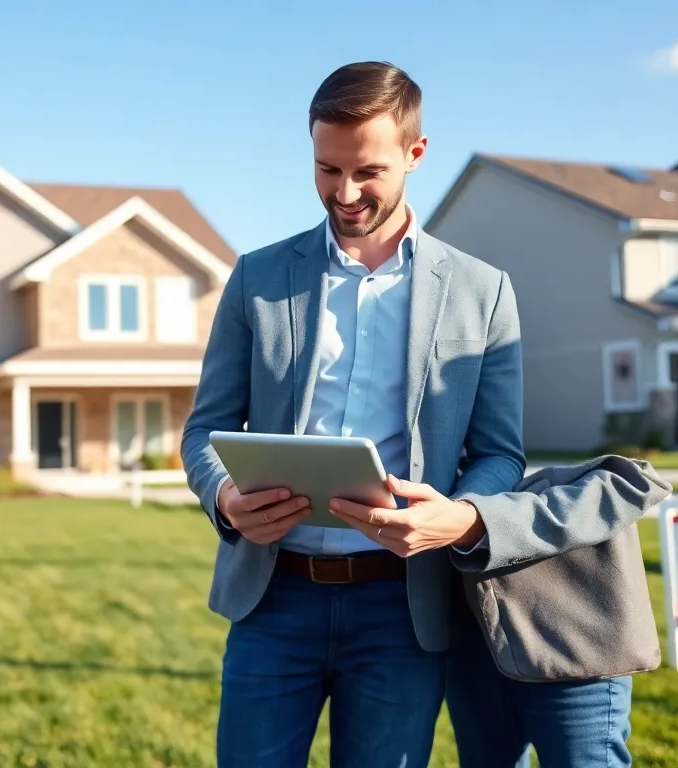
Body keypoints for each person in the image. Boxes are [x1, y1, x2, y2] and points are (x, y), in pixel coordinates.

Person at [181, 60, 526, 767]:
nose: (344, 193)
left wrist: (460, 514)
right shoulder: (258, 278)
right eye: (326, 169)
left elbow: (501, 453)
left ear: (415, 154)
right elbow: (203, 430)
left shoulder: (482, 292)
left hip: (403, 607)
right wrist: (222, 495)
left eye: (367, 171)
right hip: (273, 599)